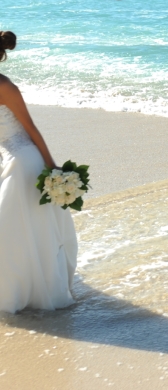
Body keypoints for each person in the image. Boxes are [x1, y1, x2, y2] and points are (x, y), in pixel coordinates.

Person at [0, 31, 77, 313]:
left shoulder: (6, 87)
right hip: (6, 160)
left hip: (25, 161)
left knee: (15, 229)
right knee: (18, 230)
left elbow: (30, 128)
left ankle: (29, 294)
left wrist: (52, 166)